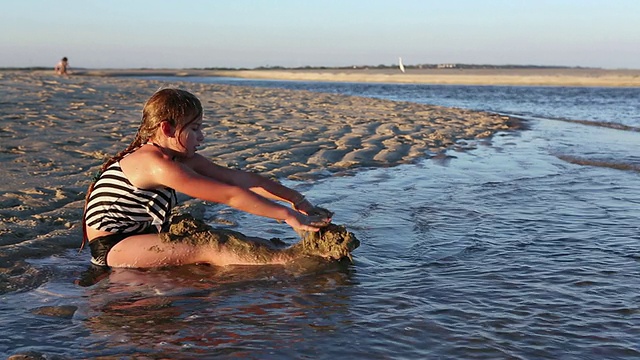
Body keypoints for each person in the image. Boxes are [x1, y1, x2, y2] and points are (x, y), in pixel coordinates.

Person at [82, 88, 332, 269]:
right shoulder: (156, 165)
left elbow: (237, 180)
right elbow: (229, 195)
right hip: (113, 246)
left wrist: (296, 201)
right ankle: (297, 265)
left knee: (242, 242)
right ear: (167, 129)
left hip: (140, 234)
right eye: (194, 129)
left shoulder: (176, 157)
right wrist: (287, 216)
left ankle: (284, 258)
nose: (201, 136)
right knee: (212, 247)